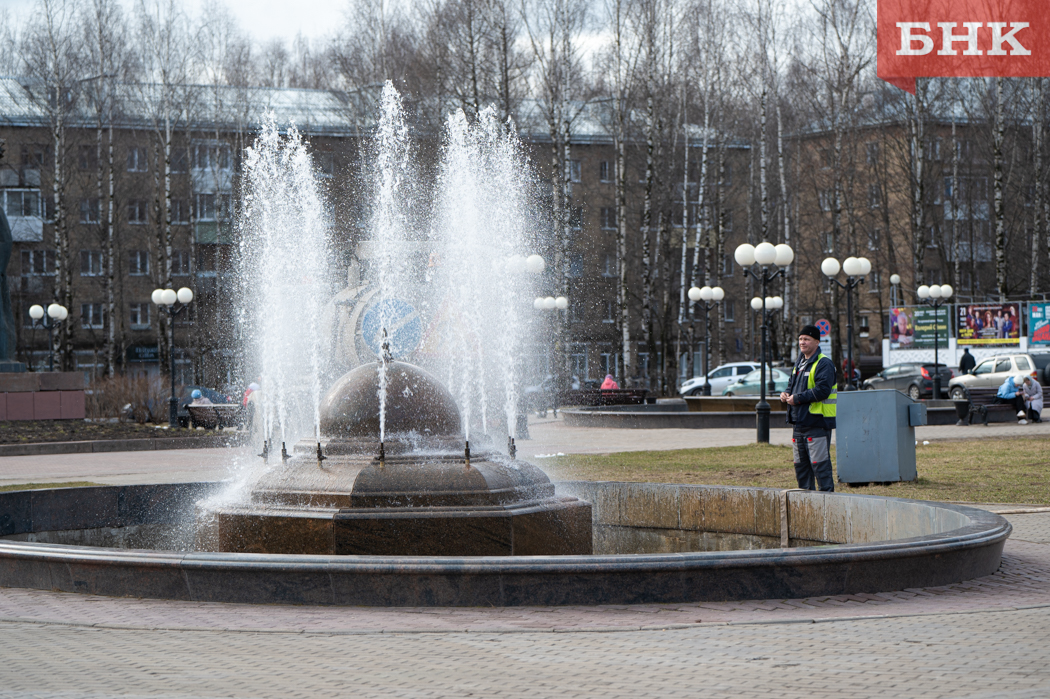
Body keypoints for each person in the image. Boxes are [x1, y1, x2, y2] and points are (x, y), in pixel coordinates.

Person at [780, 325, 838, 492]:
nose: (802, 342)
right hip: (799, 423)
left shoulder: (823, 363)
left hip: (817, 423)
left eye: (806, 339)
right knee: (801, 467)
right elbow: (792, 385)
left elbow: (823, 390)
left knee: (820, 466)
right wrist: (785, 394)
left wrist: (797, 399)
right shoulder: (799, 363)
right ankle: (806, 506)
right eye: (800, 339)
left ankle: (827, 503)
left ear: (817, 342)